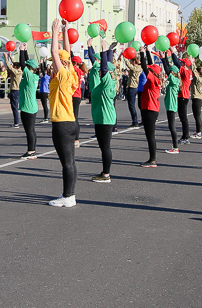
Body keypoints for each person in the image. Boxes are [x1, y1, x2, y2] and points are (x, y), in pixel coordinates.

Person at [48, 18, 79, 207]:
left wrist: (54, 31)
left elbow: (55, 52)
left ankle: (68, 197)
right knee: (70, 162)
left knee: (67, 163)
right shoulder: (72, 73)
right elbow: (66, 52)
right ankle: (70, 194)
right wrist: (66, 31)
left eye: (55, 62)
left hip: (62, 123)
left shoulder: (62, 76)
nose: (53, 64)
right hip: (70, 122)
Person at [86, 36, 118, 182]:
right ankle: (105, 172)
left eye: (100, 71)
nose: (98, 71)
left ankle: (106, 174)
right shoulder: (107, 82)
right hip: (102, 117)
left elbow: (104, 67)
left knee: (105, 147)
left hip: (105, 119)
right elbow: (99, 64)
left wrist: (105, 50)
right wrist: (90, 47)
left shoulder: (107, 82)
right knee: (104, 147)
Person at [138, 48, 163, 167]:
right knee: (150, 135)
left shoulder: (153, 79)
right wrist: (148, 51)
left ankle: (152, 159)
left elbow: (144, 66)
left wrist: (142, 53)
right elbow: (148, 63)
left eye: (150, 70)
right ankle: (152, 158)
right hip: (150, 109)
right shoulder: (156, 78)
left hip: (150, 109)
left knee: (150, 136)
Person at [17, 43, 40, 160]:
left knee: (29, 130)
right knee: (31, 130)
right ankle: (32, 150)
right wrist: (25, 50)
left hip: (27, 107)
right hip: (32, 106)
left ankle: (31, 151)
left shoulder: (29, 76)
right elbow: (26, 63)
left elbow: (22, 64)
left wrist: (21, 51)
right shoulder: (34, 76)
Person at [160, 50, 182, 155]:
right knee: (171, 126)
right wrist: (164, 58)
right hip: (171, 105)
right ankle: (175, 146)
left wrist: (163, 58)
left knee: (172, 126)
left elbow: (167, 70)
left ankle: (175, 147)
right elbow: (168, 69)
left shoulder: (174, 81)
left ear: (173, 73)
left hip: (171, 106)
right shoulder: (175, 80)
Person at [177, 56, 192, 144]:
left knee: (183, 118)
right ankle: (185, 136)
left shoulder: (185, 72)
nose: (180, 64)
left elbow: (176, 64)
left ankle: (185, 136)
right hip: (184, 95)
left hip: (183, 95)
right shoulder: (189, 72)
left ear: (185, 64)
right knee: (183, 117)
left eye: (182, 62)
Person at [123, 53, 142, 127]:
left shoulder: (136, 68)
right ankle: (140, 120)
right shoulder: (140, 67)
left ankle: (135, 121)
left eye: (131, 61)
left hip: (133, 87)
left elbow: (130, 66)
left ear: (134, 61)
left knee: (131, 105)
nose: (130, 62)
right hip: (136, 87)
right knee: (138, 105)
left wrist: (125, 58)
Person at [190, 57, 202, 139]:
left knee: (197, 116)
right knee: (197, 116)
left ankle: (198, 132)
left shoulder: (199, 79)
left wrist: (192, 63)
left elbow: (194, 72)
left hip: (197, 98)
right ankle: (198, 131)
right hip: (199, 97)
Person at [5, 54, 22, 128]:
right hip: (17, 90)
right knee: (15, 106)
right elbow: (16, 64)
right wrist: (11, 57)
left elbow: (9, 67)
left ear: (15, 67)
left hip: (14, 90)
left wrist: (6, 58)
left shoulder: (16, 72)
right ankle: (16, 122)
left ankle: (16, 123)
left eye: (13, 66)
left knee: (14, 107)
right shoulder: (19, 70)